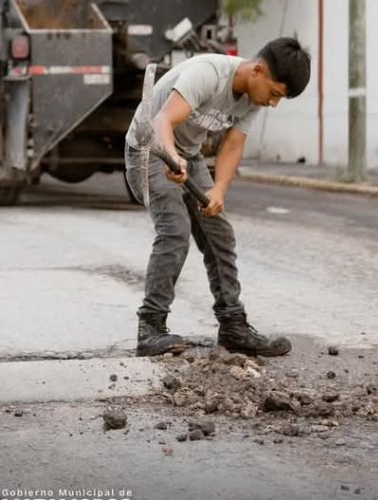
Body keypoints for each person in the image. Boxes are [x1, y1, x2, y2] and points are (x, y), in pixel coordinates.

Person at [124, 37, 311, 357]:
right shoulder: (207, 74)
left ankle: (233, 326)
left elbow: (233, 144)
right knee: (175, 230)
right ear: (258, 70)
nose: (273, 103)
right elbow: (162, 122)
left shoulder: (253, 98)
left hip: (189, 156)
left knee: (219, 233)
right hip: (150, 149)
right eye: (275, 94)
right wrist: (172, 157)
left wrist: (219, 189)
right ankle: (151, 327)